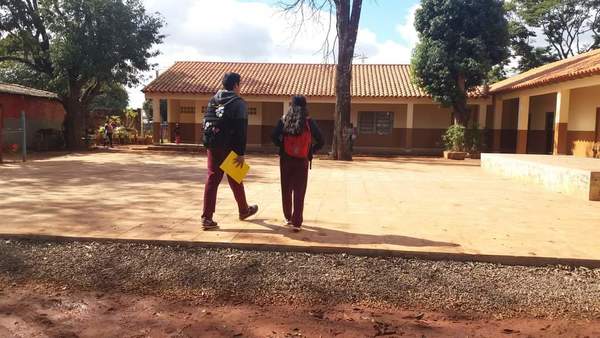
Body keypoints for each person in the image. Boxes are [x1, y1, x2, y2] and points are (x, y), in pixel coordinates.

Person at [201, 72, 258, 230]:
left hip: (212, 144)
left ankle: (207, 217)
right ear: (236, 85)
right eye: (240, 85)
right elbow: (241, 130)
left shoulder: (213, 100)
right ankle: (244, 210)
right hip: (230, 147)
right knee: (235, 178)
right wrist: (240, 153)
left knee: (213, 179)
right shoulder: (239, 103)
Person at [271, 95, 324, 231]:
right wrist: (310, 150)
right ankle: (297, 222)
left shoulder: (284, 120)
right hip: (302, 160)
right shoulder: (309, 122)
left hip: (286, 159)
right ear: (305, 106)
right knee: (300, 191)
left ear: (291, 105)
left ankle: (288, 217)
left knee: (286, 189)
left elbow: (273, 136)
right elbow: (321, 140)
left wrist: (282, 145)